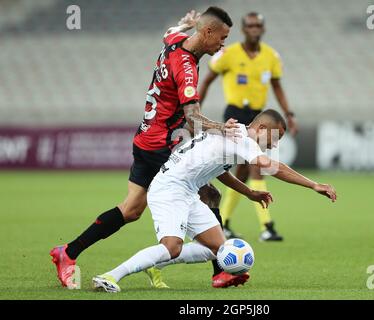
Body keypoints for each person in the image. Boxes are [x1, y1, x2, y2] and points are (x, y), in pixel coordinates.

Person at [50, 7, 241, 289]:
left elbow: (170, 32)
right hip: (160, 144)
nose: (223, 44)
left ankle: (67, 252)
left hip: (145, 137)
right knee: (208, 192)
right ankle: (221, 270)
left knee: (130, 210)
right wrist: (222, 128)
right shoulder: (186, 67)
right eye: (222, 37)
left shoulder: (175, 41)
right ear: (208, 31)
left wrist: (186, 24)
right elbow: (192, 116)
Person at [92, 109, 337, 293]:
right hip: (169, 189)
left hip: (187, 190)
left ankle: (156, 264)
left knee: (218, 250)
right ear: (262, 128)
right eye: (276, 136)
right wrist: (313, 184)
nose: (275, 143)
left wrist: (249, 193)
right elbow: (273, 167)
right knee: (171, 246)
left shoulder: (234, 135)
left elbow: (220, 170)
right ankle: (111, 276)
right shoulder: (242, 137)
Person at [198, 12, 299, 242]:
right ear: (243, 29)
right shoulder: (228, 53)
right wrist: (196, 112)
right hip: (235, 114)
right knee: (257, 167)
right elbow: (206, 81)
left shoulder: (270, 56)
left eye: (258, 25)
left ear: (262, 29)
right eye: (250, 25)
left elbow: (277, 86)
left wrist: (289, 114)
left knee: (243, 172)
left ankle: (223, 221)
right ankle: (267, 226)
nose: (255, 29)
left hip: (259, 117)